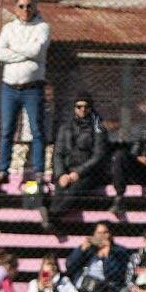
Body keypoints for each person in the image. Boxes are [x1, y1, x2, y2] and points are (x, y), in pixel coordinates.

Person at [0, 0, 50, 188]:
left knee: (37, 131)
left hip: (32, 88)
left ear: (35, 8)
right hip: (9, 88)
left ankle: (39, 171)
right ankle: (3, 171)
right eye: (22, 6)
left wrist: (13, 49)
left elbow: (37, 51)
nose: (26, 10)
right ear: (16, 8)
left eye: (29, 6)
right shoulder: (8, 28)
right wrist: (25, 51)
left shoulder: (43, 27)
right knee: (7, 131)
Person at [46, 92, 110, 221]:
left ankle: (51, 217)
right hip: (67, 171)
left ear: (91, 108)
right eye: (79, 106)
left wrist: (78, 173)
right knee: (60, 190)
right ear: (74, 108)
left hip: (89, 173)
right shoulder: (65, 127)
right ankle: (53, 221)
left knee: (73, 192)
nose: (83, 109)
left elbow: (98, 155)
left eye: (86, 106)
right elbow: (58, 153)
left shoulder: (98, 128)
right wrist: (61, 174)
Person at [66, 222, 130, 292]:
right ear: (94, 234)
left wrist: (108, 255)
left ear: (111, 235)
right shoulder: (88, 249)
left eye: (105, 232)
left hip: (107, 290)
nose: (102, 236)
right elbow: (69, 266)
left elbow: (114, 275)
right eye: (99, 233)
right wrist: (81, 250)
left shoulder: (119, 251)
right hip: (84, 287)